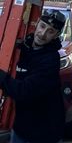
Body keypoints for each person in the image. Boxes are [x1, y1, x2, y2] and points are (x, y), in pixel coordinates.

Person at [0, 9, 66, 143]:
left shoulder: (50, 60)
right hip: (21, 128)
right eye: (42, 26)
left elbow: (23, 91)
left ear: (56, 35)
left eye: (50, 31)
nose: (43, 34)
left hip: (44, 134)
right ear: (36, 24)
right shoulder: (25, 47)